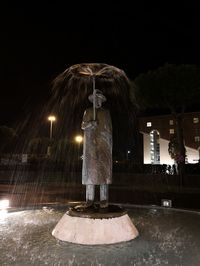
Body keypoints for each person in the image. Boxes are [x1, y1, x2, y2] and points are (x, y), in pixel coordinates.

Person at [81, 89, 112, 209]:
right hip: (90, 146)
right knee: (90, 173)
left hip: (104, 145)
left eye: (99, 99)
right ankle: (89, 199)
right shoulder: (88, 111)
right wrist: (91, 124)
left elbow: (109, 129)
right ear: (92, 101)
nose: (97, 101)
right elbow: (83, 125)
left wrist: (108, 145)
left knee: (103, 173)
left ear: (102, 101)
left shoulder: (106, 113)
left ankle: (104, 199)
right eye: (95, 99)